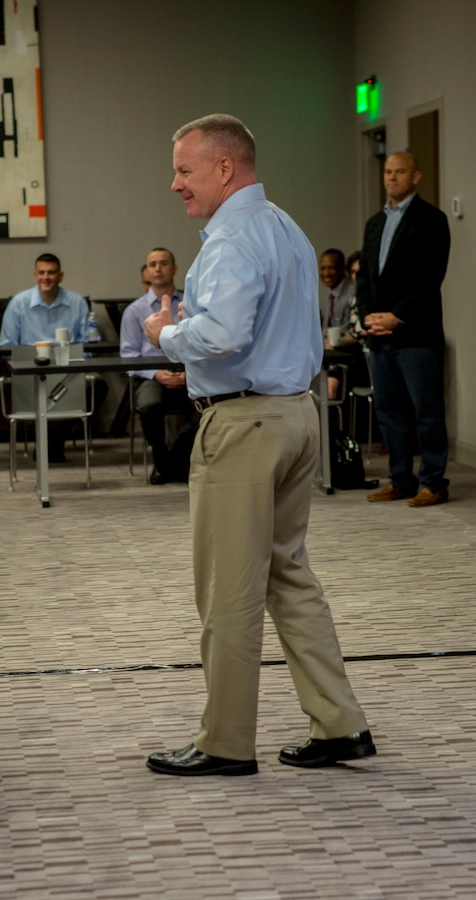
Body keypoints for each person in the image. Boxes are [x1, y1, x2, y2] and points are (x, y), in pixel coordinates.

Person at [143, 114, 375, 776]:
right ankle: (339, 724)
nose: (175, 184)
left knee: (228, 589)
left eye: (185, 171)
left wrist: (165, 332)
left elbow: (223, 335)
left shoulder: (232, 239)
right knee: (287, 574)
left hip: (245, 426)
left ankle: (224, 743)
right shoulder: (285, 227)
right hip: (296, 416)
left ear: (224, 168)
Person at [356, 152, 451, 507]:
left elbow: (430, 278)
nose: (391, 177)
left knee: (425, 411)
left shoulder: (432, 219)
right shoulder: (373, 223)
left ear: (416, 177)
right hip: (380, 334)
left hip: (416, 333)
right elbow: (363, 275)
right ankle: (400, 479)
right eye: (387, 171)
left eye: (399, 172)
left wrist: (397, 316)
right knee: (389, 411)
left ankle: (433, 483)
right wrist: (369, 316)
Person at [0, 253, 104, 462]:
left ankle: (56, 436)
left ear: (60, 275)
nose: (46, 277)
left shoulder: (77, 303)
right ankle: (52, 440)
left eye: (51, 273)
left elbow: (88, 347)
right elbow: (6, 347)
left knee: (99, 385)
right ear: (35, 275)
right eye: (42, 273)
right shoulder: (18, 304)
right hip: (31, 372)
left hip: (70, 370)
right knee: (40, 389)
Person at [121, 248, 196, 484]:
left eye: (164, 263)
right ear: (147, 270)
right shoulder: (134, 310)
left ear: (174, 269)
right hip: (151, 377)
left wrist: (188, 373)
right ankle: (162, 459)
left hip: (189, 373)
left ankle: (176, 457)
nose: (158, 268)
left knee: (211, 405)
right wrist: (155, 374)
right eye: (153, 264)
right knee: (149, 405)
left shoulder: (190, 303)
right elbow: (128, 356)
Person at [319, 248, 358, 400]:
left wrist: (334, 342)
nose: (326, 273)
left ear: (342, 269)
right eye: (322, 268)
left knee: (327, 391)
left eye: (331, 267)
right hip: (334, 353)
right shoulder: (332, 293)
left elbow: (352, 333)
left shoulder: (352, 292)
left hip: (351, 354)